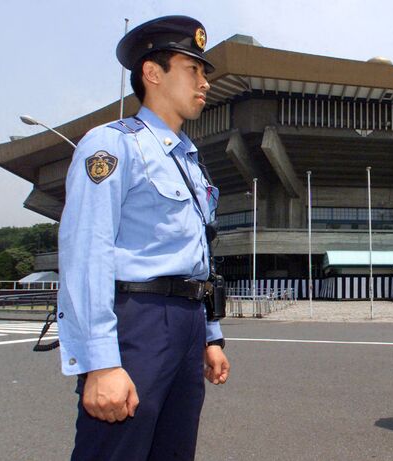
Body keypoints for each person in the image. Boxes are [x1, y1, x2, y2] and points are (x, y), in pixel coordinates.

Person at [56, 16, 230, 460]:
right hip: (138, 321)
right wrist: (101, 363)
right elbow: (87, 252)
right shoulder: (114, 145)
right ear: (153, 73)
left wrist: (209, 335)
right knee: (117, 450)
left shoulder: (189, 161)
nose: (204, 82)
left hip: (187, 323)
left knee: (173, 451)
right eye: (193, 69)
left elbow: (197, 255)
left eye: (205, 72)